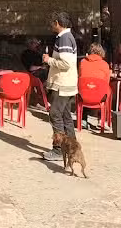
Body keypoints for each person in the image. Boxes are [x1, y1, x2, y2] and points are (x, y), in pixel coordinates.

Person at [42, 12, 78, 161]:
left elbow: (65, 63)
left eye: (52, 23)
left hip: (62, 85)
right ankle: (72, 148)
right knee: (66, 117)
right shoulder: (67, 37)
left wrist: (49, 60)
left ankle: (58, 150)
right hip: (68, 84)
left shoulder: (64, 39)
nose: (51, 26)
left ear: (57, 23)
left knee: (55, 114)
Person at [79, 43, 110, 129]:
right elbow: (106, 83)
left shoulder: (82, 62)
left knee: (85, 88)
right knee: (107, 91)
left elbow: (80, 77)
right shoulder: (105, 65)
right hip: (99, 98)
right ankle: (102, 120)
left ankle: (83, 120)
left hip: (83, 97)